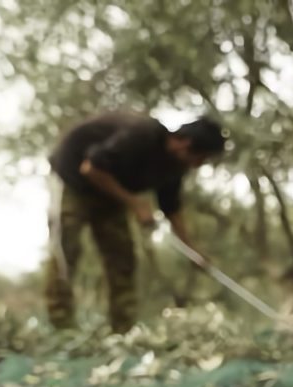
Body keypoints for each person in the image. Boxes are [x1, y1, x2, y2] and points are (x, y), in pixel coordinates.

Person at [43, 111, 227, 333]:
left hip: (110, 192)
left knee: (122, 257)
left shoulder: (174, 168)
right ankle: (61, 325)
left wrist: (192, 250)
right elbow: (90, 168)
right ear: (185, 144)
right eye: (201, 158)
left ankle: (123, 329)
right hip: (73, 180)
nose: (199, 165)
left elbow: (172, 209)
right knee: (67, 249)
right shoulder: (142, 134)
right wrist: (135, 203)